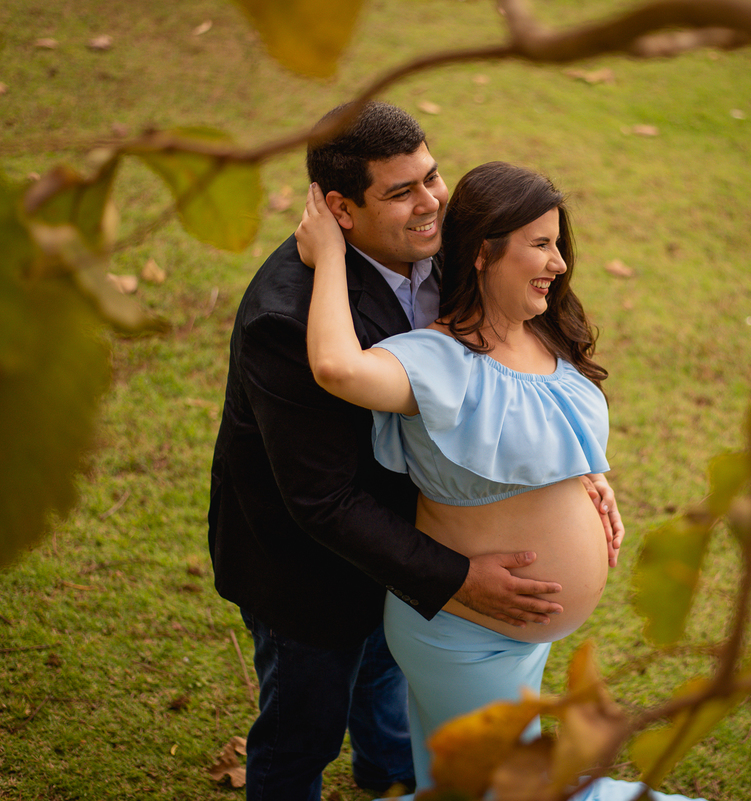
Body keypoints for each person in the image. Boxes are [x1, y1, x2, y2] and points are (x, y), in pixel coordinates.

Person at [208, 102, 618, 801]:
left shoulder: (448, 252)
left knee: (388, 697)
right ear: (340, 209)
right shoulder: (286, 315)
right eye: (402, 193)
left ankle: (392, 777)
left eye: (431, 176)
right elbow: (322, 499)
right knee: (303, 731)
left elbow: (499, 379)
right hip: (311, 572)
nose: (432, 203)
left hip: (414, 554)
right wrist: (454, 576)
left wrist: (574, 470)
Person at [299, 162, 702, 801]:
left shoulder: (544, 332)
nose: (560, 263)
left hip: (519, 634)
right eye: (541, 245)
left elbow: (539, 430)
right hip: (465, 633)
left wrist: (590, 479)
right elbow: (335, 367)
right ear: (485, 252)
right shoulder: (433, 360)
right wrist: (328, 258)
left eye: (558, 244)